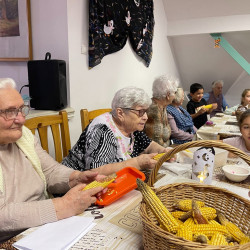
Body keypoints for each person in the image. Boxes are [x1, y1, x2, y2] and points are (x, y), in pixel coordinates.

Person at [0, 78, 106, 243]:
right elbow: (2, 216)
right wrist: (63, 206)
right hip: (10, 239)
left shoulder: (24, 136)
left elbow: (49, 170)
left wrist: (76, 177)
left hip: (43, 227)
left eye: (21, 109)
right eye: (9, 111)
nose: (21, 119)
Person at [62, 86, 172, 175]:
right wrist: (137, 162)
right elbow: (96, 172)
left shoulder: (132, 127)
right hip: (74, 185)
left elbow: (149, 145)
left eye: (146, 111)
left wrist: (163, 151)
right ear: (120, 113)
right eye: (140, 112)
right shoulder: (103, 129)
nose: (145, 117)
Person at [144, 75, 179, 147]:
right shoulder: (153, 110)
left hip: (167, 148)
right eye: (175, 93)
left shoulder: (162, 106)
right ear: (168, 95)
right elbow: (156, 144)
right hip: (159, 153)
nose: (175, 96)